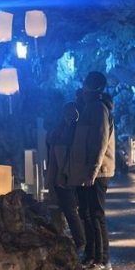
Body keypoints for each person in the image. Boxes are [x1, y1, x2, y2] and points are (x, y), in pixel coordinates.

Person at [69, 71, 116, 270]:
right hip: (87, 171)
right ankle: (91, 255)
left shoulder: (98, 108)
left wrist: (93, 171)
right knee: (86, 214)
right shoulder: (88, 107)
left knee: (96, 215)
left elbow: (100, 142)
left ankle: (103, 260)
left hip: (97, 172)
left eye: (86, 84)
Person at [45, 102, 85, 253]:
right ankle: (73, 239)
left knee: (72, 210)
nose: (70, 116)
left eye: (72, 113)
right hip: (61, 175)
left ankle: (81, 241)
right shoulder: (60, 132)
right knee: (66, 209)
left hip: (68, 176)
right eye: (68, 113)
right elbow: (54, 157)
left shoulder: (71, 132)